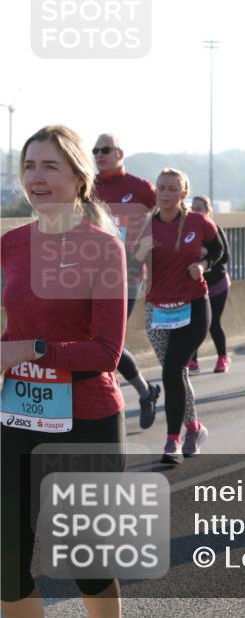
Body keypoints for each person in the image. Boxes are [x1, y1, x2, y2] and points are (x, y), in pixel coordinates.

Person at [2, 125, 127, 615]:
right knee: (5, 565)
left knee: (88, 564)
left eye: (49, 166)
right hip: (16, 414)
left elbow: (105, 352)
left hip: (86, 417)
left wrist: (29, 350)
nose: (36, 177)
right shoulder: (11, 244)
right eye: (29, 166)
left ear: (79, 178)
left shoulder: (103, 246)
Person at [137, 168, 224, 464]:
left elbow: (219, 251)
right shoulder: (145, 225)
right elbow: (129, 265)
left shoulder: (199, 222)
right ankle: (194, 429)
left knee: (171, 371)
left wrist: (203, 264)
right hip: (157, 309)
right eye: (161, 187)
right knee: (176, 373)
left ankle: (172, 441)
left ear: (183, 193)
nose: (166, 193)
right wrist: (140, 252)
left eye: (173, 188)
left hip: (193, 306)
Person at [91, 132, 161, 428]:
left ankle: (133, 395)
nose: (99, 154)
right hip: (91, 275)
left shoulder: (141, 189)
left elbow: (168, 217)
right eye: (95, 150)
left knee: (108, 341)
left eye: (105, 149)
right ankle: (144, 393)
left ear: (120, 153)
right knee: (92, 340)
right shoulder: (88, 187)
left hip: (128, 275)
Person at [190, 196, 232, 372]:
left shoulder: (216, 230)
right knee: (193, 324)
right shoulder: (187, 232)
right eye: (193, 208)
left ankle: (223, 357)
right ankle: (192, 360)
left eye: (200, 208)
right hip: (196, 286)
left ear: (208, 211)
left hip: (217, 285)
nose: (196, 211)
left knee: (213, 322)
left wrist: (207, 254)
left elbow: (225, 256)